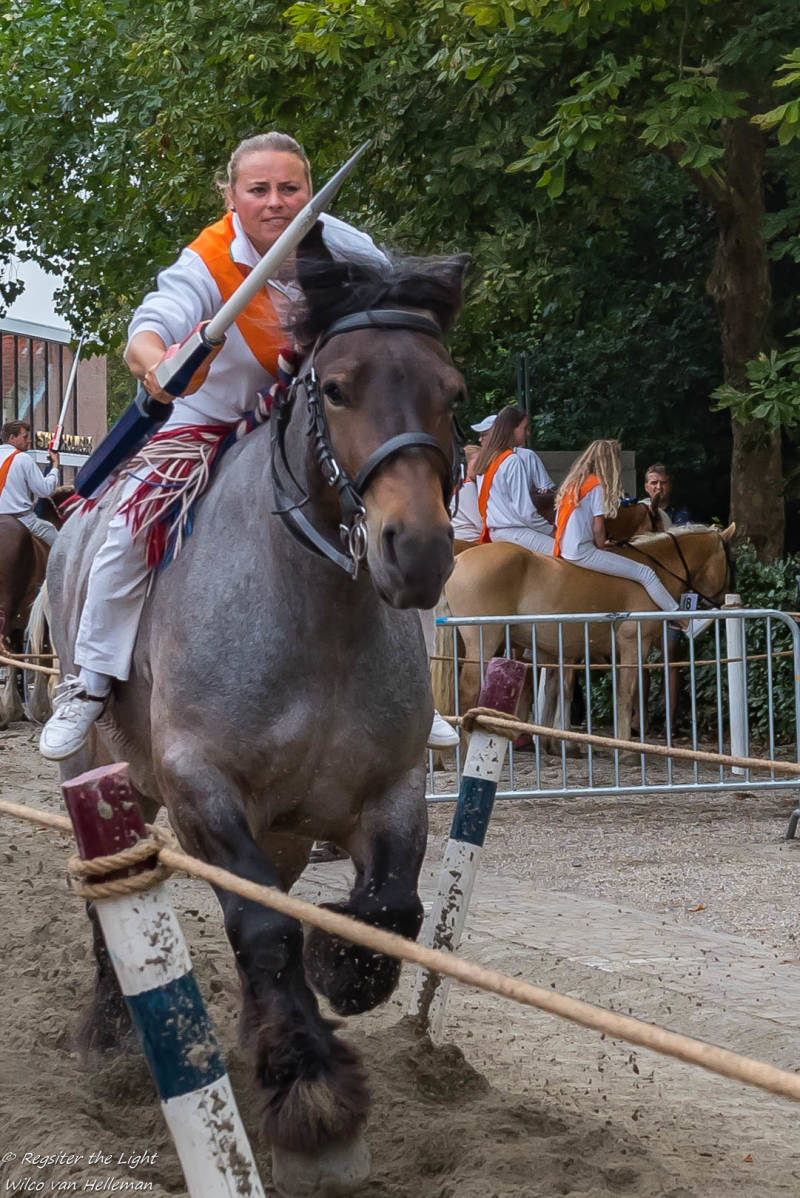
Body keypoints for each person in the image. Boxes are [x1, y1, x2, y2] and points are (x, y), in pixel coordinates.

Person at [39, 130, 393, 760]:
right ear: (231, 195)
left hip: (315, 425)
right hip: (210, 424)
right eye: (259, 189)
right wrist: (155, 362)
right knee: (129, 529)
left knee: (400, 513)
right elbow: (148, 330)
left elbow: (390, 313)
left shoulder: (346, 247)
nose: (276, 201)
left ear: (309, 192)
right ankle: (90, 683)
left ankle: (404, 695)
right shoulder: (204, 262)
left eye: (290, 188)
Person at [553, 439, 684, 616]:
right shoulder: (596, 485)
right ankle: (682, 619)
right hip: (581, 551)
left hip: (564, 548)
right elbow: (598, 526)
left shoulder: (574, 483)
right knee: (646, 573)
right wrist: (601, 546)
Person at [472, 405, 555, 554]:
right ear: (512, 429)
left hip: (494, 533)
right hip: (515, 533)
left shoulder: (486, 459)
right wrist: (551, 530)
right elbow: (526, 513)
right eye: (525, 428)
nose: (527, 433)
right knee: (566, 552)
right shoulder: (512, 460)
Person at [0, 420, 60, 547]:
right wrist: (55, 466)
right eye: (25, 437)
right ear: (12, 438)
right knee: (55, 536)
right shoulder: (23, 458)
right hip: (23, 520)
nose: (29, 441)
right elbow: (45, 490)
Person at [641, 462, 691, 528]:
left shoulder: (681, 511)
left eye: (663, 483)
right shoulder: (640, 510)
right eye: (654, 483)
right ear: (646, 487)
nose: (659, 487)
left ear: (670, 486)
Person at [450, 444, 481, 542]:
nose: (482, 466)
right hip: (470, 540)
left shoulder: (454, 484)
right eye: (478, 462)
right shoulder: (467, 485)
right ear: (466, 463)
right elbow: (480, 523)